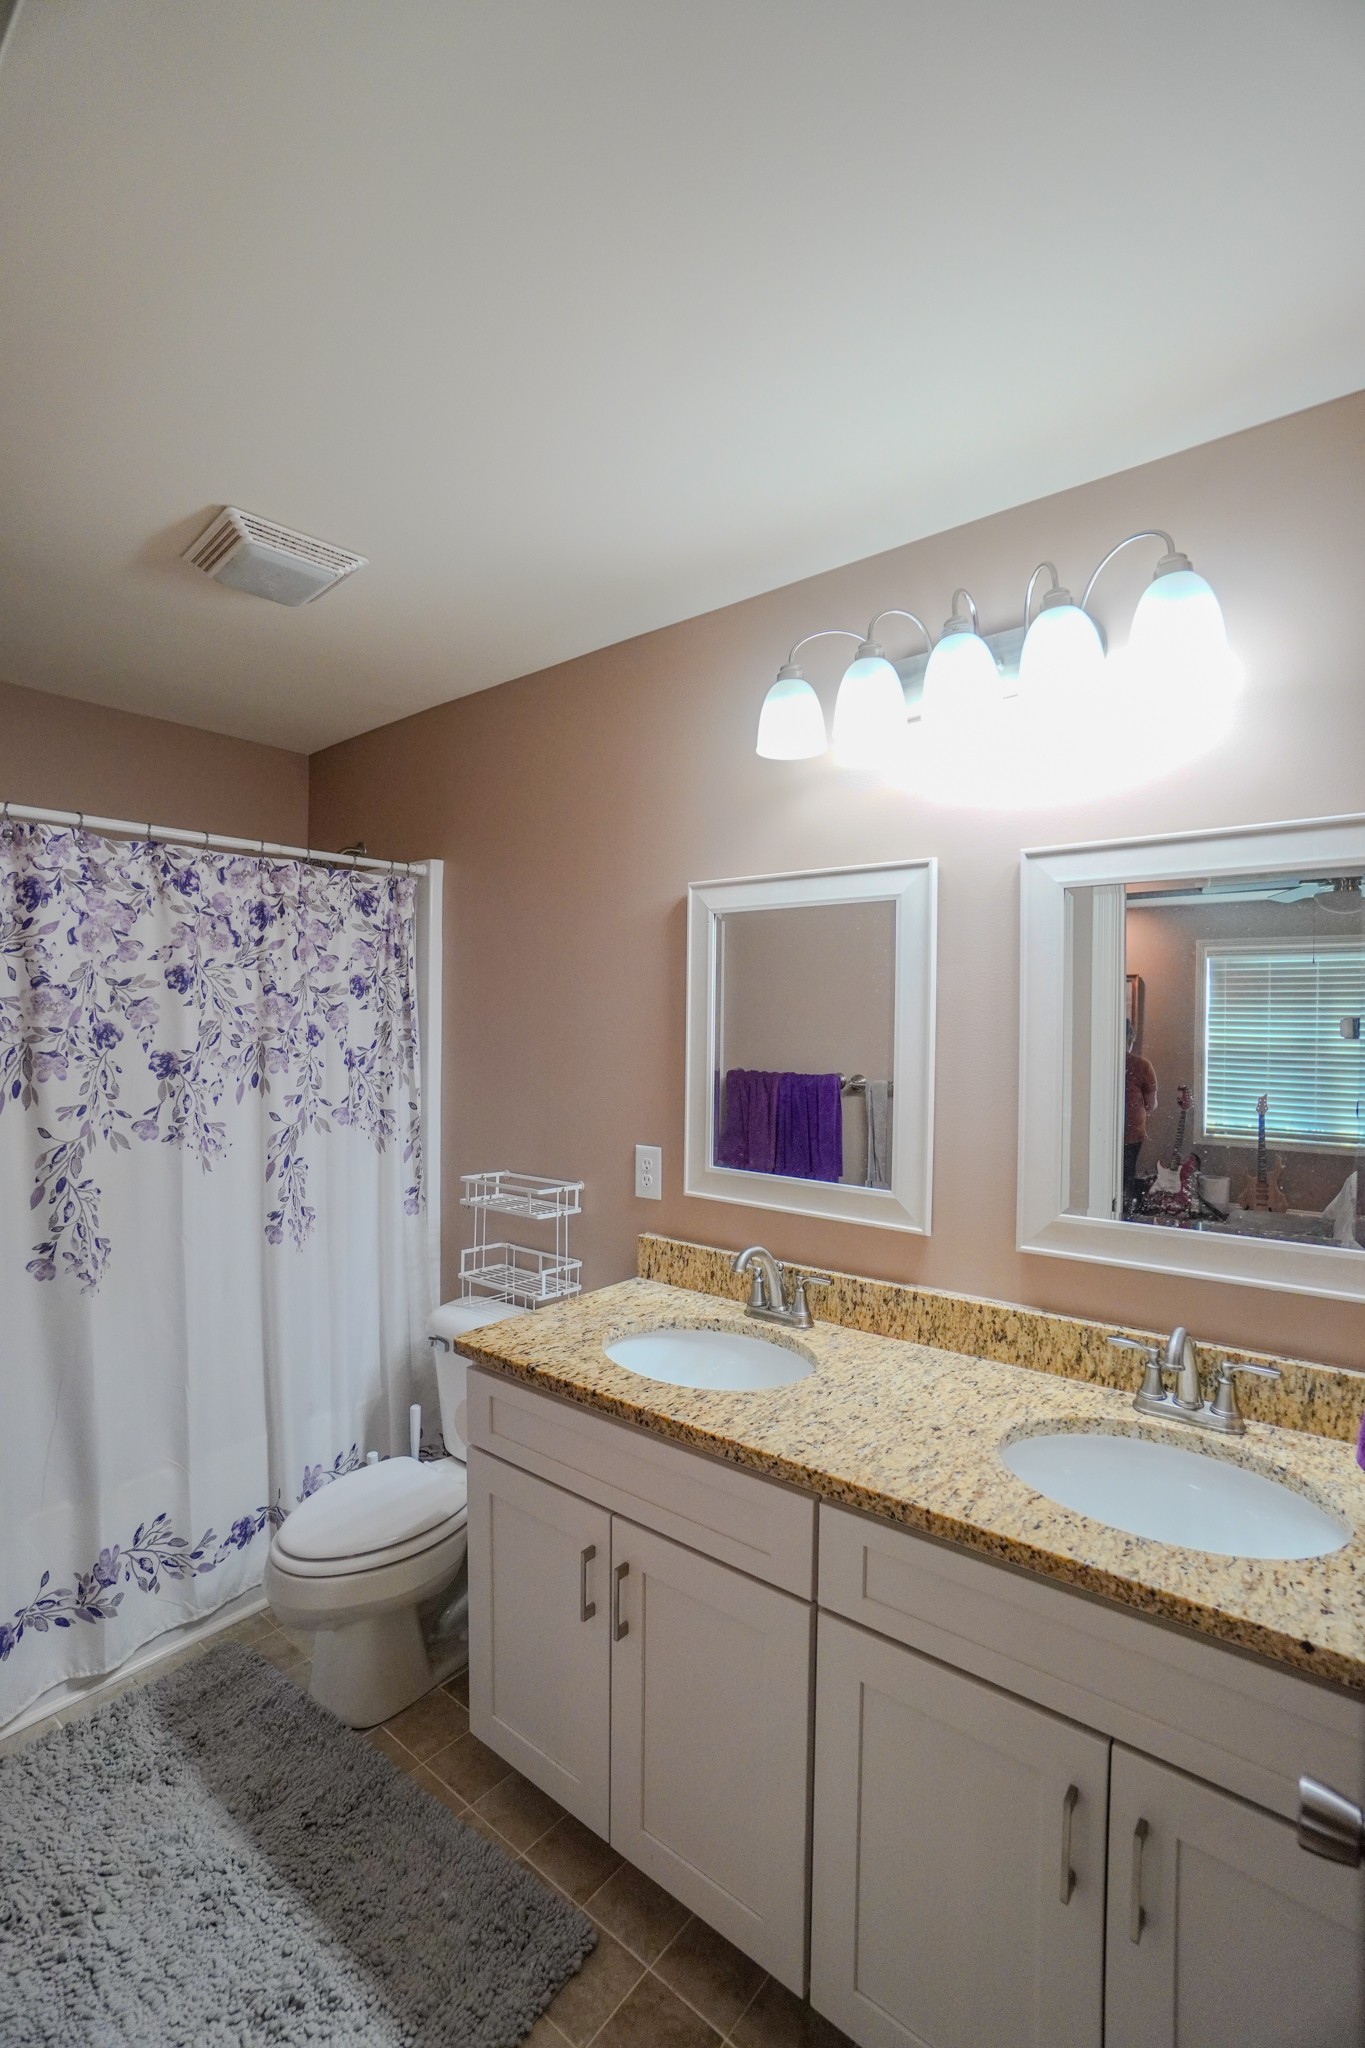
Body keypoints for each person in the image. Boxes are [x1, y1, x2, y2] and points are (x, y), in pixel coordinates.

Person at [1124, 1019, 1157, 1212]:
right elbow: (1151, 1105)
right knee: (1127, 1174)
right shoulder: (1142, 1066)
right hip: (1132, 1133)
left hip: (1115, 1132)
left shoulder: (1100, 1063)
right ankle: (1126, 1208)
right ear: (1131, 1040)